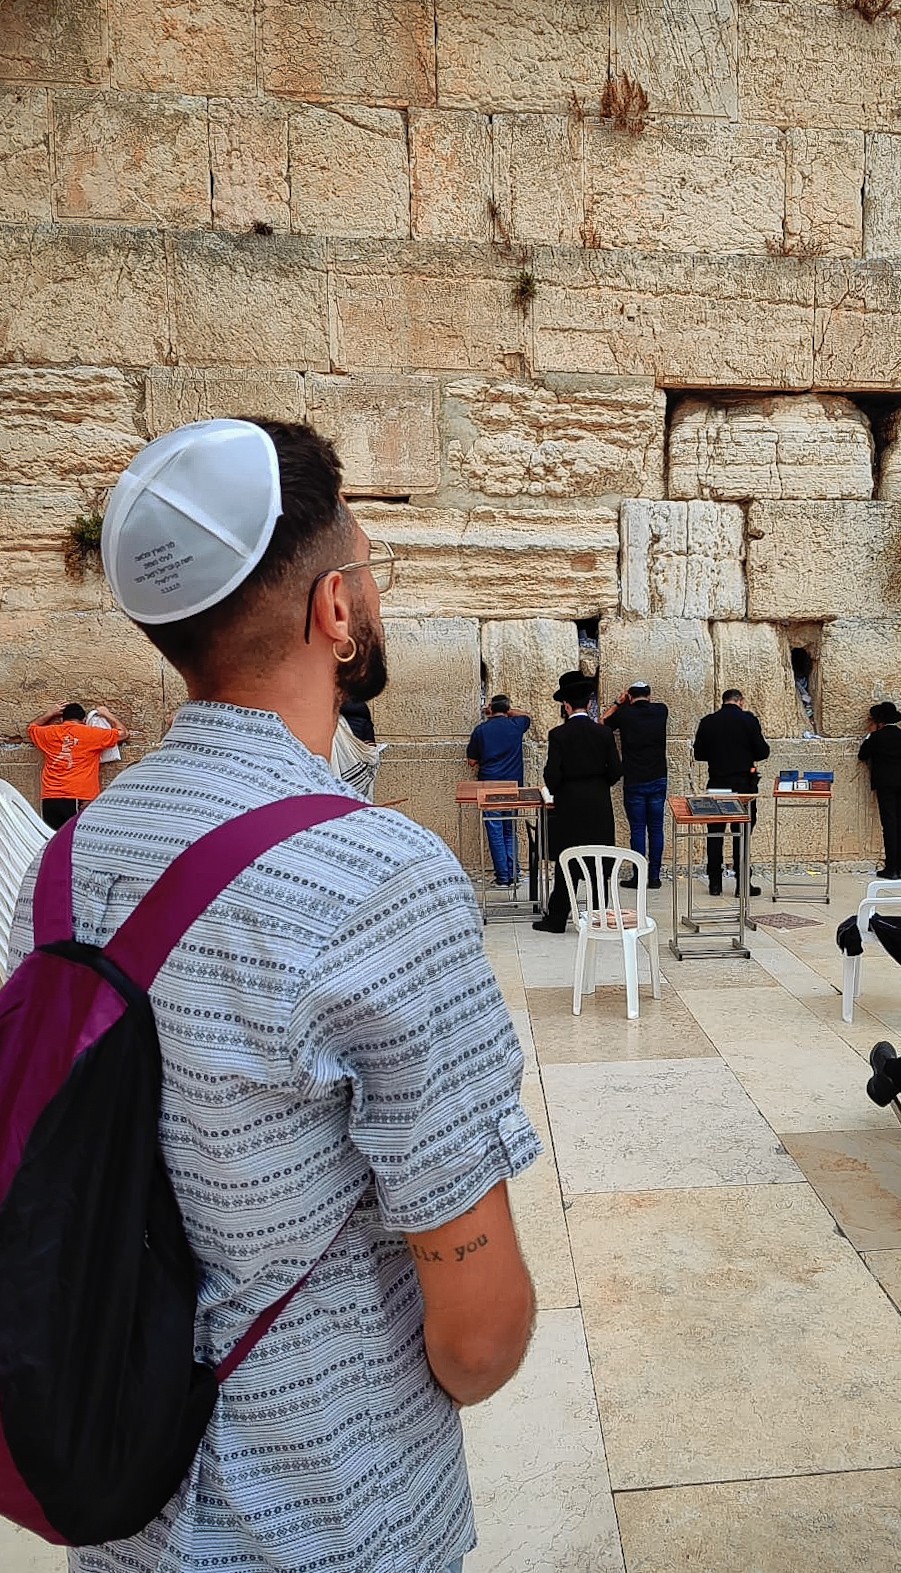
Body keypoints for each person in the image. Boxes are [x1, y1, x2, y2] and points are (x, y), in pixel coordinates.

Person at [10, 419, 538, 1573]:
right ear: (334, 608)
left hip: (129, 1508)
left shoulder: (65, 863)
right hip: (332, 1520)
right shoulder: (382, 882)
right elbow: (480, 1339)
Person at [533, 672, 622, 933]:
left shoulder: (559, 735)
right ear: (590, 704)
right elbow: (616, 771)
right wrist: (597, 783)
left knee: (567, 860)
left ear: (566, 705)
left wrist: (560, 788)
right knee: (597, 860)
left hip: (570, 804)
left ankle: (558, 918)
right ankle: (598, 918)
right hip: (598, 804)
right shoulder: (603, 733)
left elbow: (553, 774)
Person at [692, 689, 770, 897]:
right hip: (743, 786)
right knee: (741, 834)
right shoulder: (748, 721)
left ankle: (715, 883)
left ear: (723, 701)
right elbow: (763, 751)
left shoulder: (708, 721)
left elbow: (699, 754)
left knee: (715, 834)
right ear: (740, 701)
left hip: (717, 785)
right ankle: (741, 884)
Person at [602, 681, 668, 889]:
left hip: (635, 780)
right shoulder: (661, 710)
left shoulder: (625, 714)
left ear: (630, 696)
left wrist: (617, 703)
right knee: (656, 828)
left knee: (638, 829)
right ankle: (655, 877)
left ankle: (639, 876)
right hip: (658, 778)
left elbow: (603, 722)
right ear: (649, 695)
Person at [26, 700, 129, 829]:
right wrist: (106, 714)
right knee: (76, 840)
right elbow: (123, 733)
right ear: (84, 719)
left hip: (50, 798)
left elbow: (31, 728)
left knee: (54, 840)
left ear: (63, 719)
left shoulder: (48, 733)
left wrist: (50, 713)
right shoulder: (91, 734)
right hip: (79, 797)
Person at [466, 694, 532, 886]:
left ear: (490, 710)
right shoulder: (516, 725)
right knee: (509, 829)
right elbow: (527, 715)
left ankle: (503, 877)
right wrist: (505, 709)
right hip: (513, 785)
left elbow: (472, 761)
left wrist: (493, 710)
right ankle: (514, 873)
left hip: (489, 786)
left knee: (495, 830)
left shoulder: (480, 730)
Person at [858, 700, 901, 878]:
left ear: (879, 721)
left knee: (890, 825)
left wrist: (870, 735)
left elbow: (862, 755)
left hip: (885, 786)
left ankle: (891, 868)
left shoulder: (876, 737)